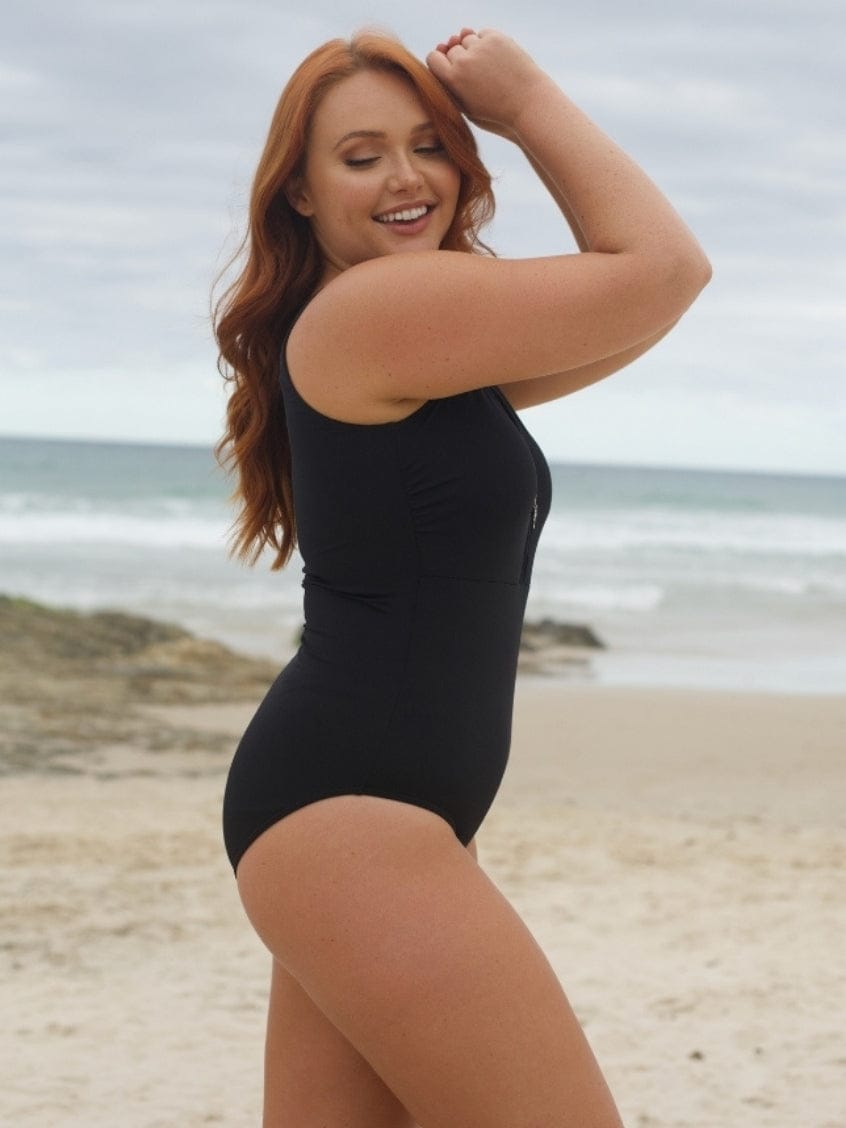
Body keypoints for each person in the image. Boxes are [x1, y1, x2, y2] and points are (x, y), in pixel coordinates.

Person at [214, 26, 710, 1128]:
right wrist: (525, 100)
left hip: (358, 820)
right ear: (296, 191)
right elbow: (666, 268)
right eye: (361, 155)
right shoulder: (376, 314)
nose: (405, 178)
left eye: (432, 144)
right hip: (351, 824)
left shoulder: (429, 341)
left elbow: (650, 302)